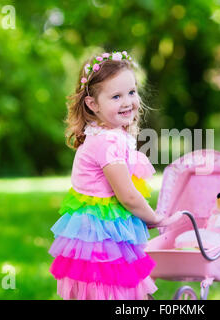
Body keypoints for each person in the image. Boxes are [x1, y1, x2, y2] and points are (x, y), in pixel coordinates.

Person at [48, 50, 180, 300]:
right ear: (93, 104)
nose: (127, 101)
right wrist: (155, 218)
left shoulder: (103, 133)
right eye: (116, 96)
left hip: (102, 234)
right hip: (102, 241)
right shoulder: (107, 142)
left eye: (131, 92)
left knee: (125, 292)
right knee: (118, 293)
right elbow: (128, 196)